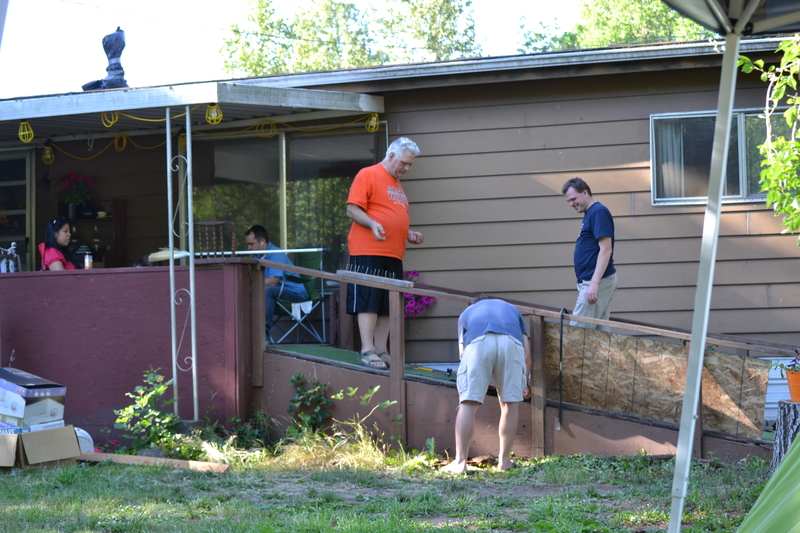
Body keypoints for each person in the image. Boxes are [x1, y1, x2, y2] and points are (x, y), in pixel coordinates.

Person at [346, 137, 424, 369]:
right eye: (404, 163)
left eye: (410, 165)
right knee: (369, 300)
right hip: (368, 249)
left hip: (393, 253)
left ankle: (381, 350)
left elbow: (392, 215)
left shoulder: (397, 185)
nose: (407, 168)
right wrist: (371, 223)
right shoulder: (368, 174)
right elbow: (352, 209)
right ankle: (367, 349)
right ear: (391, 156)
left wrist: (407, 232)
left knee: (387, 304)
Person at [442, 295, 531, 474]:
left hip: (477, 344)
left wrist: (481, 379)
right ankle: (505, 461)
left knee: (468, 402)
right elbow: (526, 354)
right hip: (511, 344)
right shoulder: (512, 309)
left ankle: (460, 463)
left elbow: (463, 353)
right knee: (509, 404)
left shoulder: (467, 312)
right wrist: (525, 382)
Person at [562, 177, 618, 332]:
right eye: (569, 201)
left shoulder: (598, 212)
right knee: (599, 337)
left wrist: (594, 284)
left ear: (585, 192)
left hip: (596, 281)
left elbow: (606, 249)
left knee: (577, 335)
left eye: (573, 199)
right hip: (594, 281)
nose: (571, 204)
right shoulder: (591, 214)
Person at [245, 225, 308, 340]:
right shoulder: (256, 256)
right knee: (247, 289)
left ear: (262, 242)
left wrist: (248, 282)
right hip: (277, 293)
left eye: (251, 244)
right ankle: (246, 333)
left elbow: (273, 282)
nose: (248, 248)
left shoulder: (276, 254)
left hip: (296, 296)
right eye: (247, 244)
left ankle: (263, 336)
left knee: (266, 290)